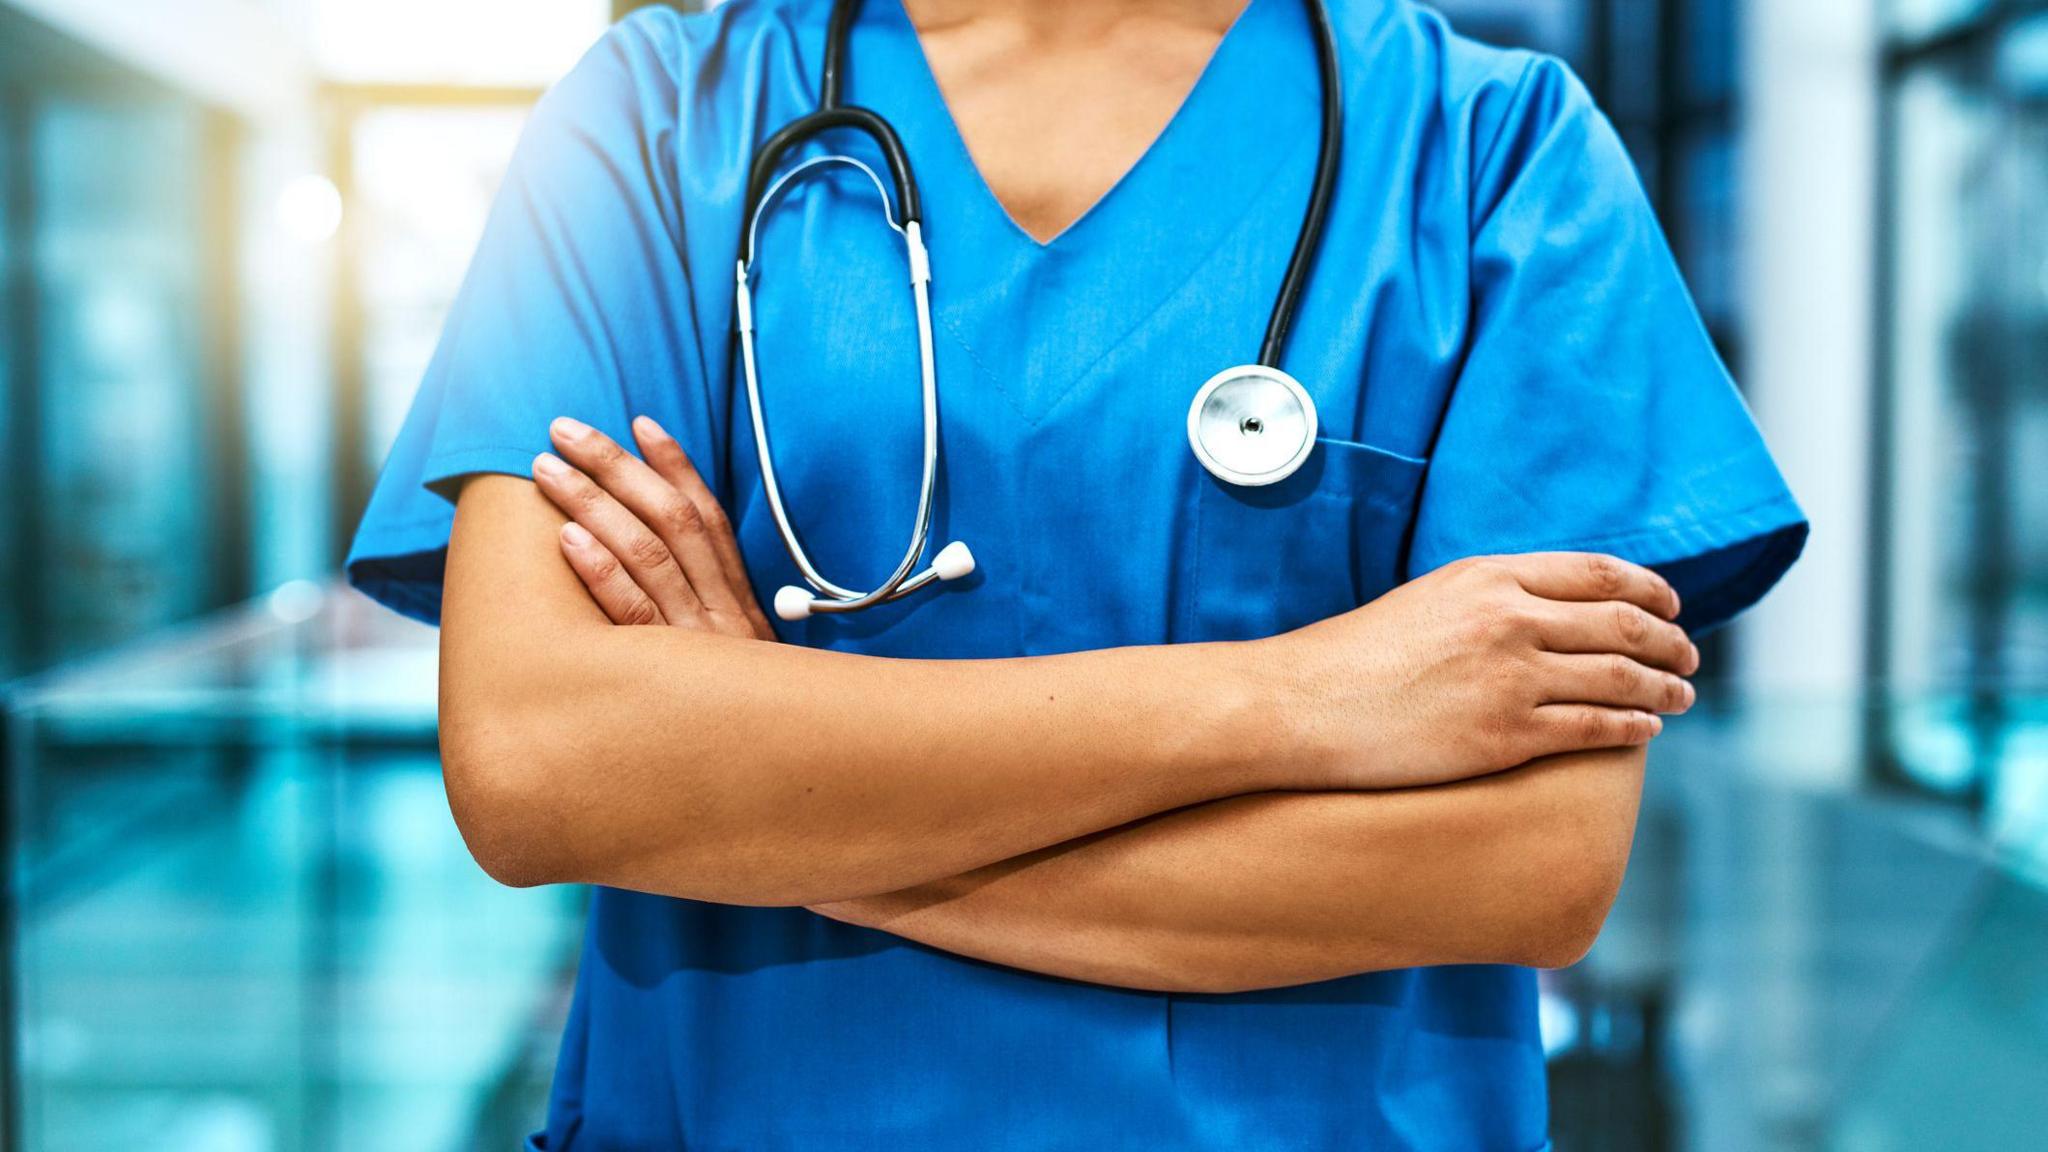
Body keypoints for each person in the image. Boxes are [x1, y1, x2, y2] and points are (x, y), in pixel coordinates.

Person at [347, 0, 1808, 1147]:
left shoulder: (1497, 155)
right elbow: (541, 761)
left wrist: (756, 801)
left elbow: (1527, 867)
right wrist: (1313, 695)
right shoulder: (654, 120)